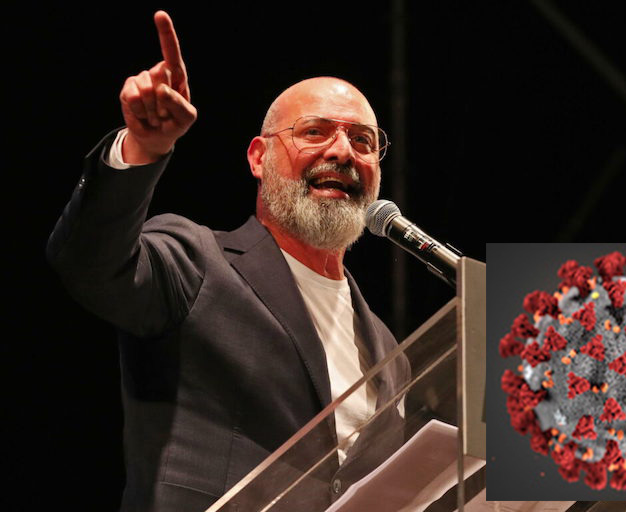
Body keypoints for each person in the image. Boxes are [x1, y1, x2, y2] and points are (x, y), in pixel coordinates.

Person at [47, 10, 409, 512]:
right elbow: (89, 263)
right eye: (315, 132)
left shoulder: (390, 351)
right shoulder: (196, 262)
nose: (344, 152)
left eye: (363, 140)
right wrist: (143, 147)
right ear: (259, 158)